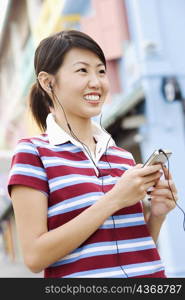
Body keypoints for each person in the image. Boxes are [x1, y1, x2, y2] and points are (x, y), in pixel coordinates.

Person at [8, 30, 178, 278]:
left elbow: (133, 247)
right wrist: (114, 199)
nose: (96, 82)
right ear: (48, 82)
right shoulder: (33, 153)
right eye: (82, 71)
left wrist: (157, 216)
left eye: (101, 71)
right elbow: (35, 257)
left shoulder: (122, 157)